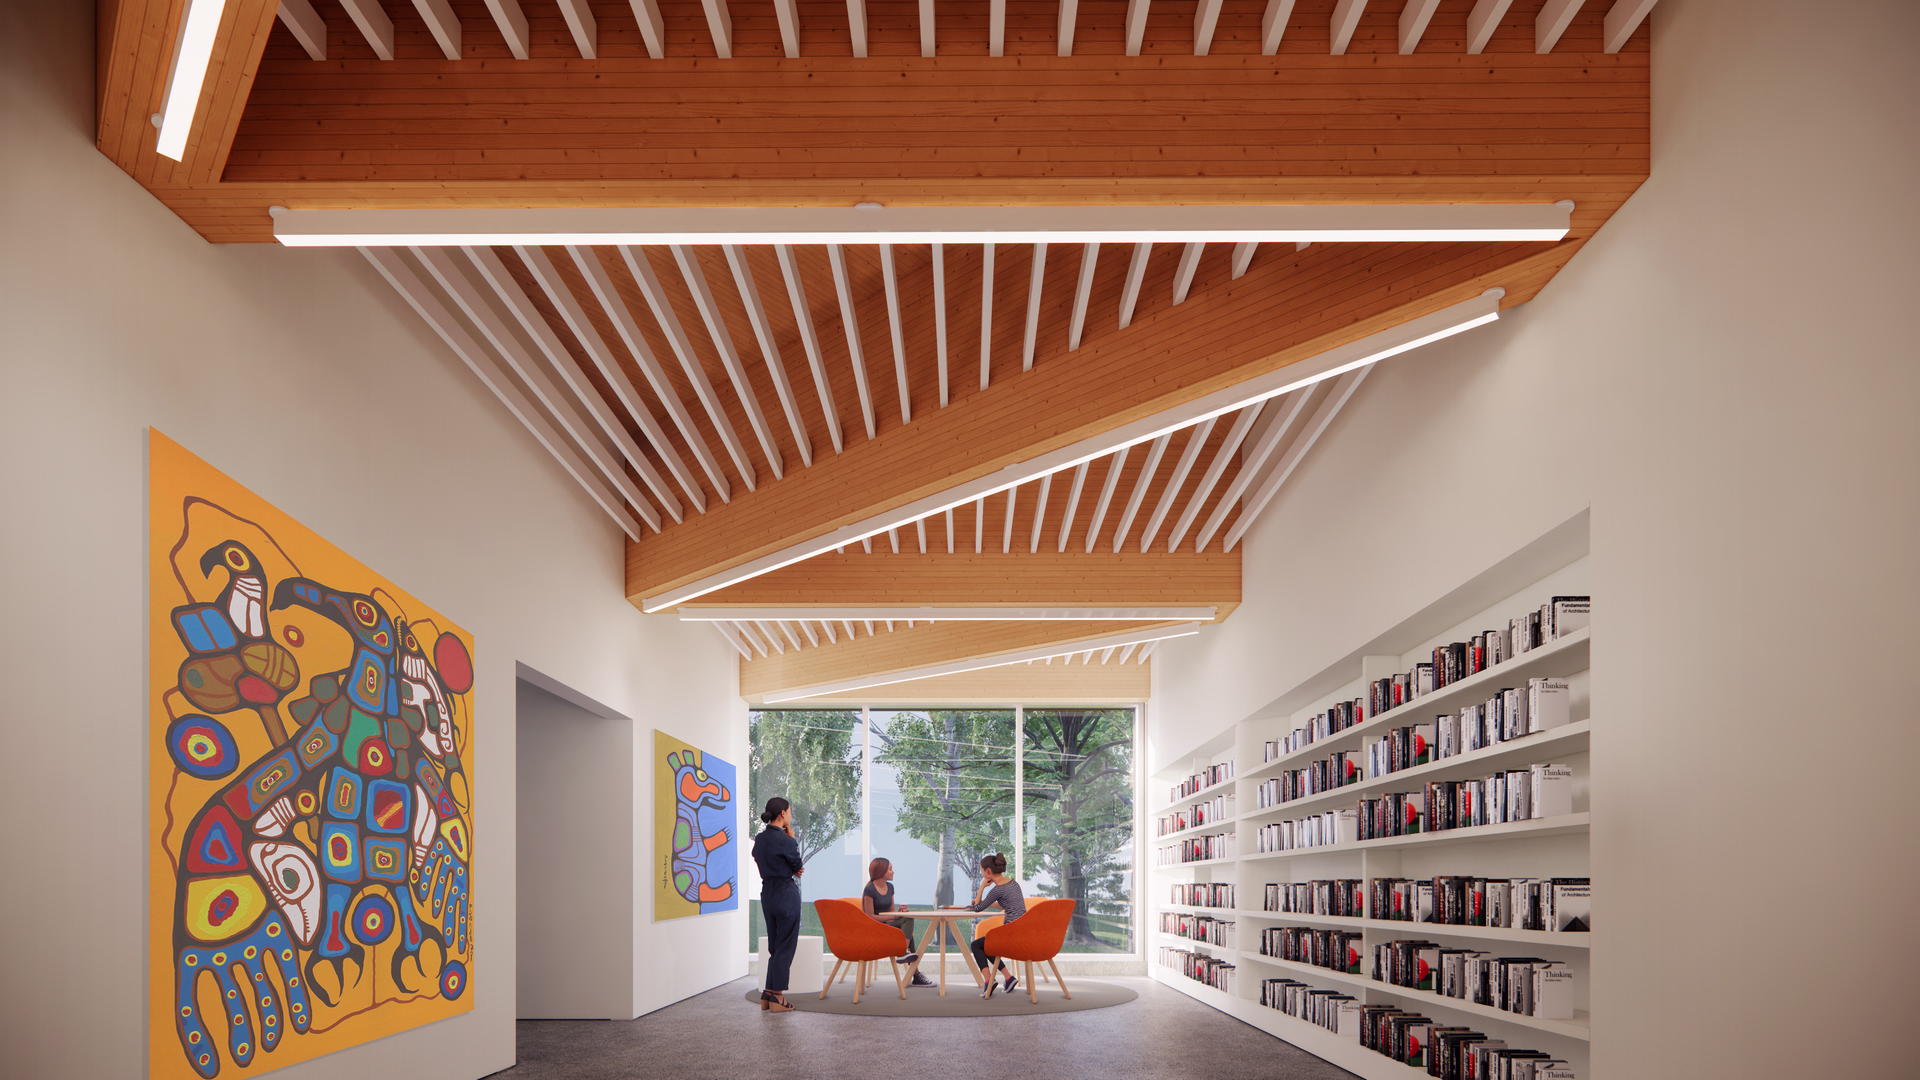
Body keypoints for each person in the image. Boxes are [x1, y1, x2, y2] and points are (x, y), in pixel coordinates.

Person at [750, 797, 805, 1012]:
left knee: (774, 945)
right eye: (789, 811)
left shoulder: (760, 839)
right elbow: (797, 866)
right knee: (785, 946)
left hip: (767, 893)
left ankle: (768, 993)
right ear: (782, 813)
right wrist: (792, 840)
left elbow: (758, 857)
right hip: (785, 892)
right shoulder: (787, 840)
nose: (790, 815)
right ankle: (778, 997)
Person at [863, 857, 934, 988]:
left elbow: (891, 912)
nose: (893, 872)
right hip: (875, 928)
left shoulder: (890, 887)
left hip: (888, 925)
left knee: (907, 917)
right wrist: (896, 918)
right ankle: (912, 966)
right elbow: (870, 917)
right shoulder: (869, 889)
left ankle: (905, 952)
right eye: (890, 869)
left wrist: (898, 913)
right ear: (881, 870)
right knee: (909, 934)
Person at [965, 852, 1026, 999]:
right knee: (988, 943)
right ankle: (1008, 978)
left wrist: (981, 888)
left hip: (1010, 935)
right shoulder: (1013, 883)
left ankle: (988, 981)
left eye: (982, 872)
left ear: (987, 871)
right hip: (1022, 932)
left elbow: (978, 908)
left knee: (976, 945)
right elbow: (1004, 904)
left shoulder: (997, 889)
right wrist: (987, 901)